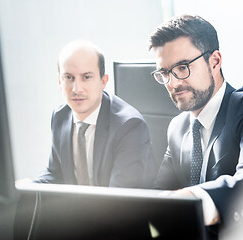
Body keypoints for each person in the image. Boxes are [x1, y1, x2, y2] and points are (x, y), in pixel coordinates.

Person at [148, 15, 243, 239]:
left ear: (215, 61)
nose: (172, 83)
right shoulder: (178, 128)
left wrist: (191, 201)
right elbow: (157, 197)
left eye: (182, 67)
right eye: (164, 73)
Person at [35, 40, 156, 188]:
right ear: (60, 82)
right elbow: (55, 174)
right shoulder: (60, 116)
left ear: (103, 81)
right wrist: (25, 188)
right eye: (68, 77)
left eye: (86, 77)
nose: (76, 89)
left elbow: (122, 199)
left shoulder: (129, 126)